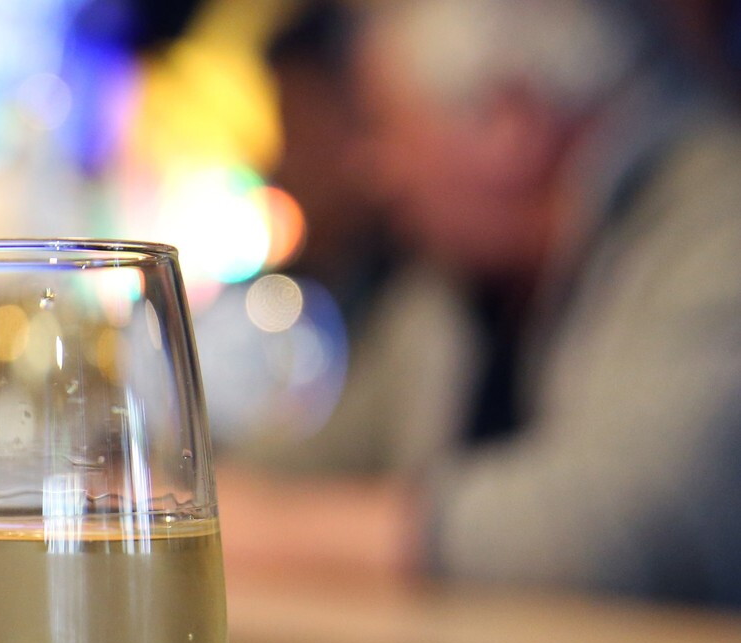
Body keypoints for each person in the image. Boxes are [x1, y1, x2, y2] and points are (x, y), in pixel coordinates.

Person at [221, 0, 741, 605]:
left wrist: (281, 534)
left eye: (384, 126)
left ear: (508, 122)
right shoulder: (454, 287)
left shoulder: (715, 223)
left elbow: (624, 526)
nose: (376, 172)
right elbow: (323, 457)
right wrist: (181, 488)